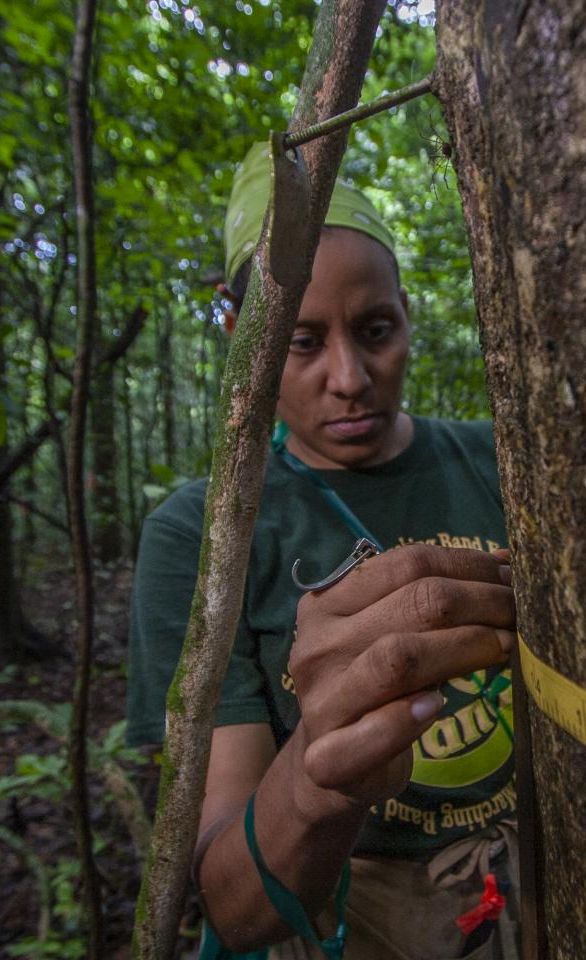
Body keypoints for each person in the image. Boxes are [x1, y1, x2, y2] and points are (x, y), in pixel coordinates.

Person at [127, 141, 521, 960]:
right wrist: (316, 778)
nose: (349, 376)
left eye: (375, 329)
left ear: (408, 316)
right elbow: (234, 909)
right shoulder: (202, 539)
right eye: (301, 342)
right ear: (243, 338)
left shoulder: (505, 462)